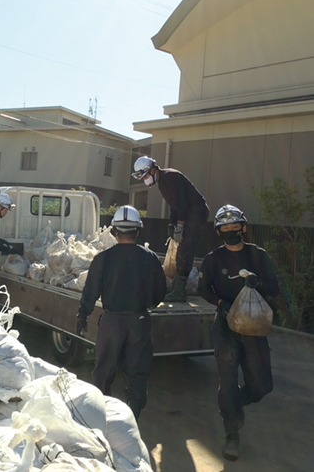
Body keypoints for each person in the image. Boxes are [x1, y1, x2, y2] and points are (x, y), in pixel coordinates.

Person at [198, 205, 280, 461]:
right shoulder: (213, 259)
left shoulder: (258, 255)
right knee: (228, 379)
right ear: (219, 232)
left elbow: (274, 288)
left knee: (262, 385)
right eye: (225, 229)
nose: (231, 232)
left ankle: (235, 405)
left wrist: (259, 283)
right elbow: (203, 288)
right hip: (225, 327)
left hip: (253, 327)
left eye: (235, 227)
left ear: (243, 228)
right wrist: (220, 304)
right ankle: (231, 431)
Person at [76, 205, 167, 419]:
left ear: (114, 231)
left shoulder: (102, 259)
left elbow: (90, 292)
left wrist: (82, 315)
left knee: (104, 371)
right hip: (139, 321)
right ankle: (131, 417)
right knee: (137, 372)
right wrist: (147, 305)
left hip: (111, 322)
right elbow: (161, 292)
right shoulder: (151, 258)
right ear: (138, 231)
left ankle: (102, 416)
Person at [131, 156, 209, 302]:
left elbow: (181, 203)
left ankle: (179, 290)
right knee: (182, 249)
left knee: (186, 248)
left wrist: (180, 224)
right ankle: (177, 286)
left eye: (146, 175)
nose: (145, 179)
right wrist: (171, 225)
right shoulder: (163, 182)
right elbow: (174, 206)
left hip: (196, 212)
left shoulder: (170, 177)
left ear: (153, 169)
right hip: (189, 213)